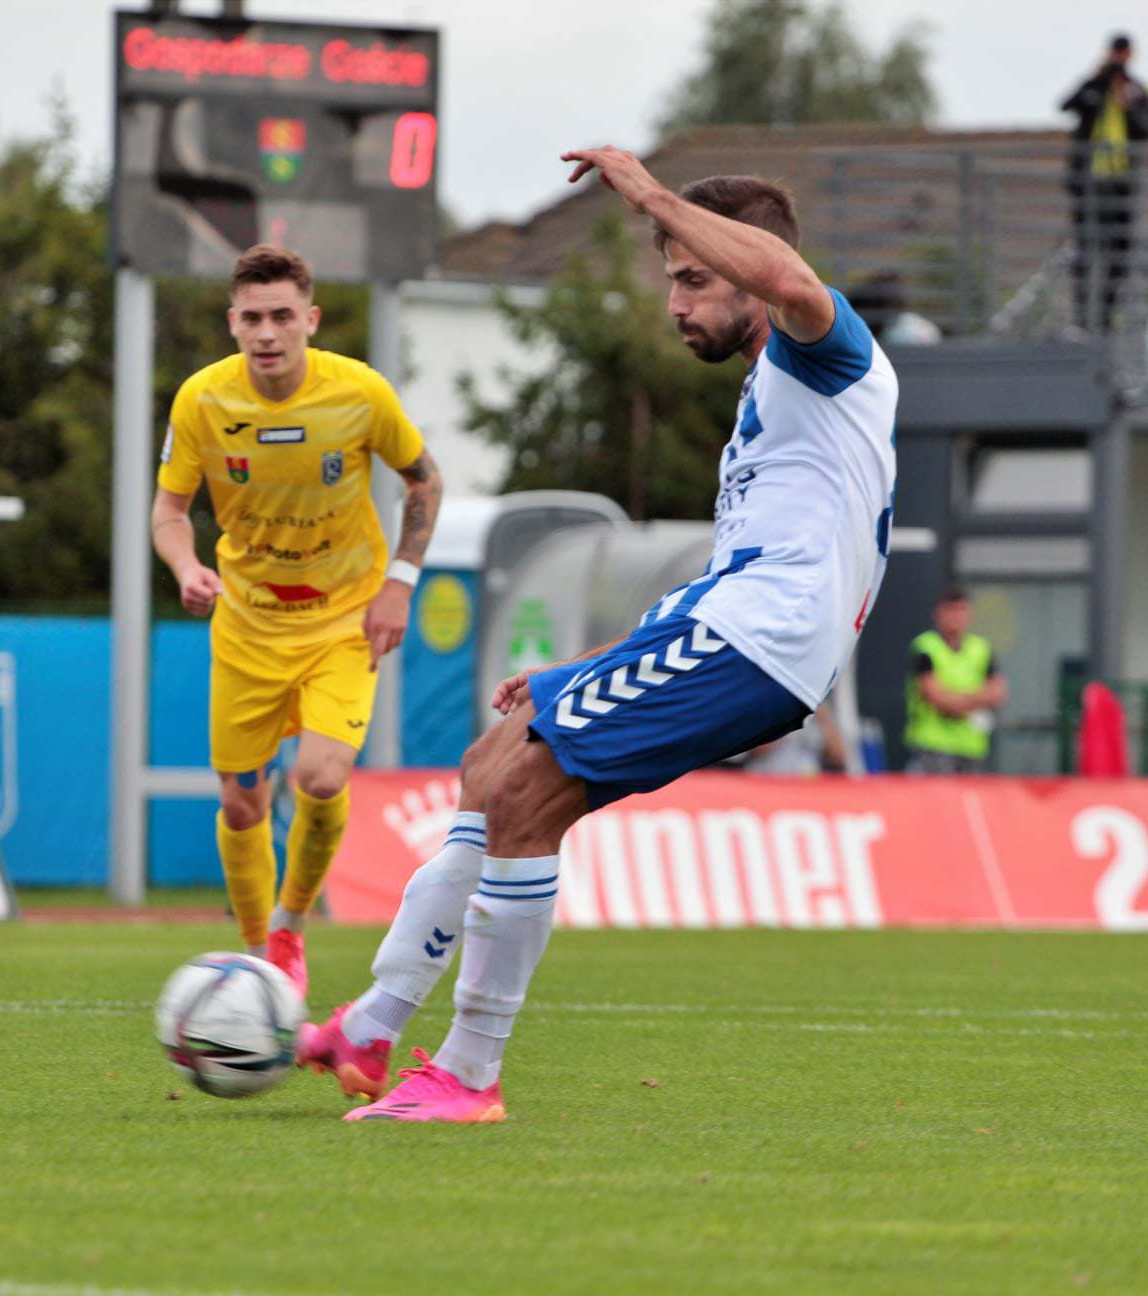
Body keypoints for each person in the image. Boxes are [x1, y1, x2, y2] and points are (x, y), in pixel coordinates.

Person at [295, 155, 898, 1122]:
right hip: (727, 623)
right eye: (671, 278)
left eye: (692, 276)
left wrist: (653, 197)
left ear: (752, 266)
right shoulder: (769, 404)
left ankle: (469, 1073)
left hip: (764, 642)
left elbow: (790, 283)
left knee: (530, 794)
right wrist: (587, 665)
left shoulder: (827, 352)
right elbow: (730, 572)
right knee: (492, 764)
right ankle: (373, 1024)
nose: (675, 302)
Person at [151, 245, 442, 995]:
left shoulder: (359, 393)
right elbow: (170, 511)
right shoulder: (202, 402)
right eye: (253, 318)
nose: (268, 333)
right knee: (243, 799)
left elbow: (423, 480)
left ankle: (289, 926)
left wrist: (400, 583)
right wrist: (187, 569)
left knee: (319, 775)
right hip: (247, 626)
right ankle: (257, 957)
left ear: (311, 320)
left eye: (283, 316)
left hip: (344, 620)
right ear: (233, 325)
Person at [1060, 33, 1148, 333]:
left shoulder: (1138, 90)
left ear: (1131, 55)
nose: (1119, 58)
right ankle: (1081, 318)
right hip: (1090, 184)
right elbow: (1066, 105)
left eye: (1123, 53)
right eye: (1115, 53)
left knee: (1119, 255)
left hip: (1121, 186)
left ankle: (1105, 316)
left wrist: (1126, 104)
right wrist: (1097, 79)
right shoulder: (1094, 85)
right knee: (1085, 252)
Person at [903, 586, 1005, 773]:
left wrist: (958, 701)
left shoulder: (981, 649)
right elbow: (937, 698)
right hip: (933, 746)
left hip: (972, 747)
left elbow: (997, 693)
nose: (955, 618)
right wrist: (977, 698)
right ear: (938, 614)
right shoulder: (926, 647)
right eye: (950, 611)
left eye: (961, 611)